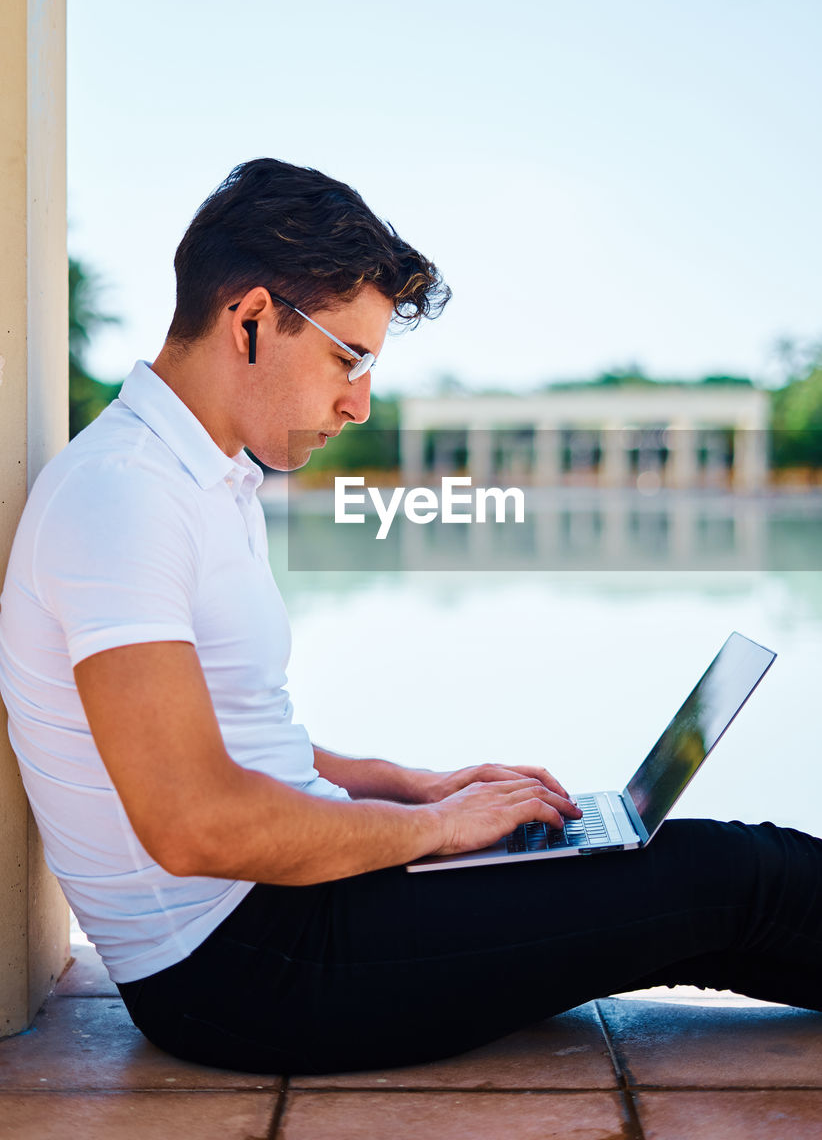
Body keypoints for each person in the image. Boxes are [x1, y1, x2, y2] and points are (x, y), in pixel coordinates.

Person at [1, 158, 821, 1076]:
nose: (357, 402)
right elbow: (194, 822)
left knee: (677, 893)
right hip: (242, 969)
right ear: (250, 321)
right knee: (733, 880)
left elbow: (218, 736)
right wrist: (439, 832)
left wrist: (410, 786)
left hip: (281, 915)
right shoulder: (123, 498)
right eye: (347, 358)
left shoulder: (201, 480)